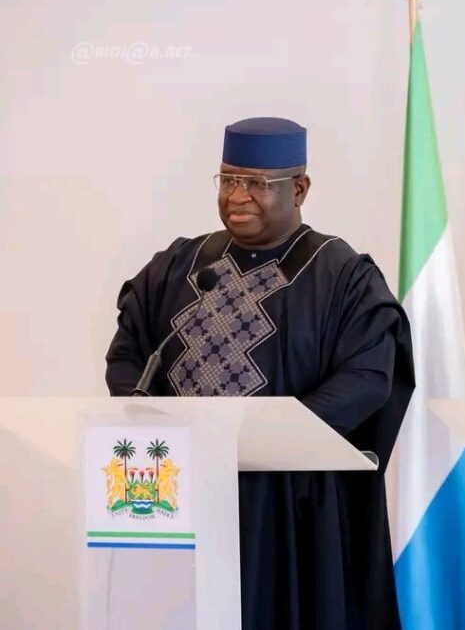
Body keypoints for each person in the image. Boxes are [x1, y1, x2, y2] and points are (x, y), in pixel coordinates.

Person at [105, 116, 414, 629]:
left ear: (300, 188)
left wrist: (266, 437)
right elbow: (128, 355)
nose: (237, 196)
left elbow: (366, 378)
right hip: (182, 490)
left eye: (256, 183)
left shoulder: (342, 275)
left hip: (290, 503)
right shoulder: (180, 264)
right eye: (228, 179)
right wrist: (159, 425)